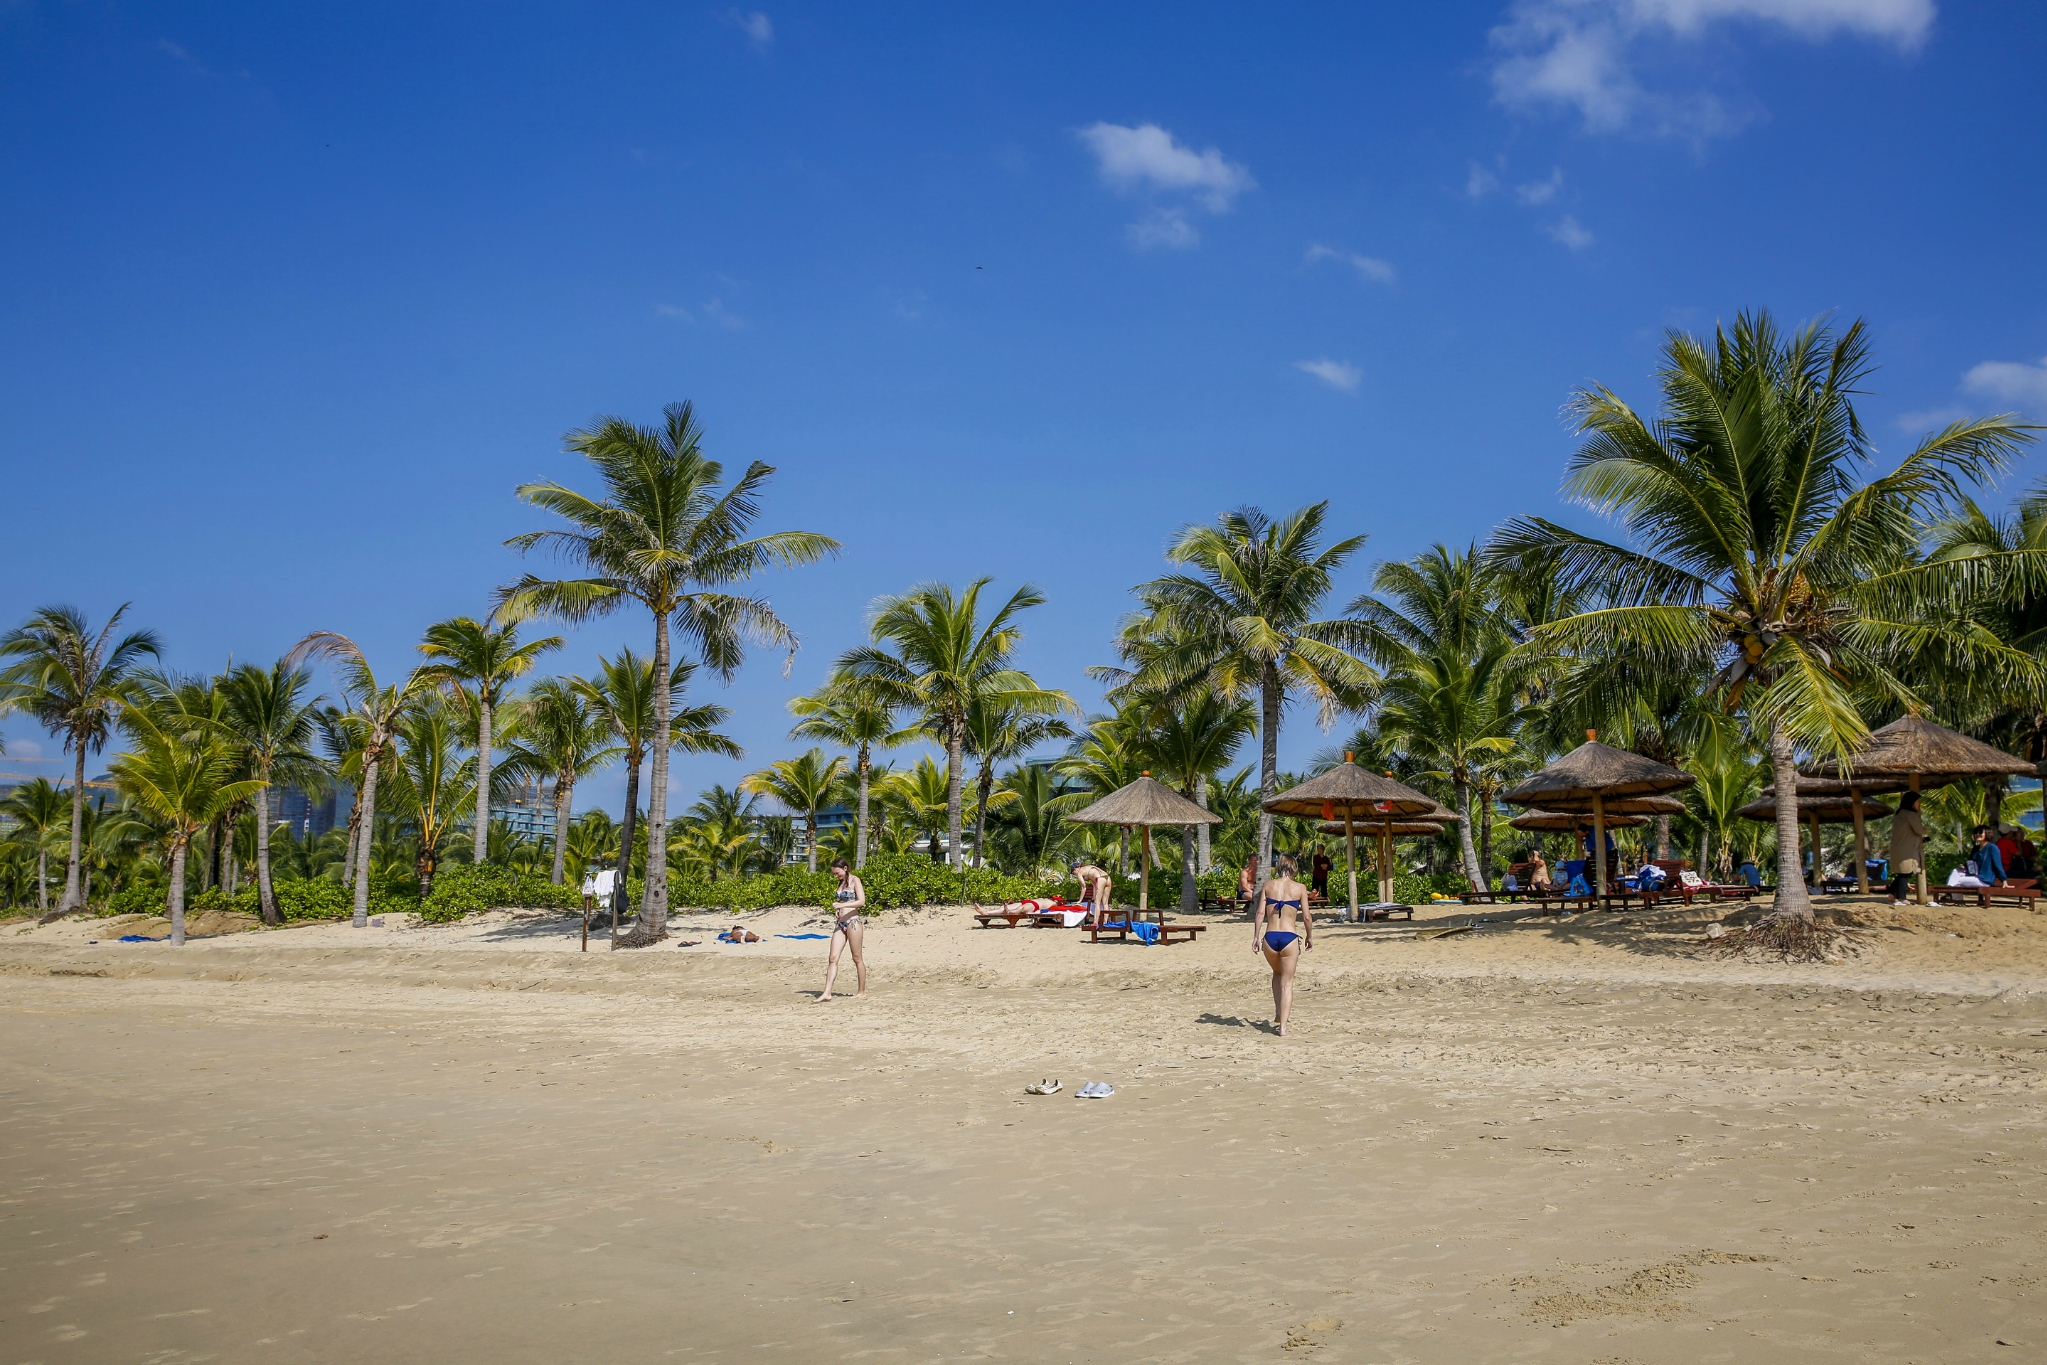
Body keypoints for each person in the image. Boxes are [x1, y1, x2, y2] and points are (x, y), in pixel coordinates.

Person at [1252, 853, 1313, 1037]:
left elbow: (1260, 913)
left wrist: (1256, 937)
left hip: (1270, 937)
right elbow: (1307, 917)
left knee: (1277, 973)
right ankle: (1283, 1027)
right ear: (1294, 868)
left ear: (1278, 867)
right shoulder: (1300, 888)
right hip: (1289, 937)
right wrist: (1310, 936)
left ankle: (1278, 1012)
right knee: (1287, 982)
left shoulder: (1268, 886)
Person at [817, 858, 867, 1002]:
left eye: (837, 872)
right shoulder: (841, 883)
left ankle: (861, 991)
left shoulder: (855, 880)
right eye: (834, 873)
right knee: (833, 958)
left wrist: (841, 906)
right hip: (840, 924)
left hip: (853, 922)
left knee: (857, 958)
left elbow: (861, 902)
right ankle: (827, 992)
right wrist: (839, 910)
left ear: (845, 868)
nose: (835, 876)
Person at [1886, 791, 1926, 905]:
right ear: (1912, 803)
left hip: (1900, 848)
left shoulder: (1900, 814)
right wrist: (1927, 830)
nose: (1919, 804)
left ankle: (1892, 894)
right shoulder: (1911, 815)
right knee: (1905, 873)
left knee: (1903, 873)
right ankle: (1901, 898)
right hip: (1907, 850)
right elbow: (1919, 830)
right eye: (1917, 802)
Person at [1070, 859, 1112, 927]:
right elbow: (1094, 884)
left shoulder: (1079, 872)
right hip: (1107, 878)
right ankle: (1105, 922)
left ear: (1075, 869)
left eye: (1073, 873)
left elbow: (1084, 887)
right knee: (1105, 903)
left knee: (1097, 903)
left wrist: (1080, 900)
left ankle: (1095, 923)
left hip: (1100, 879)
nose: (1074, 874)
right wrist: (1094, 896)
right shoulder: (1088, 868)